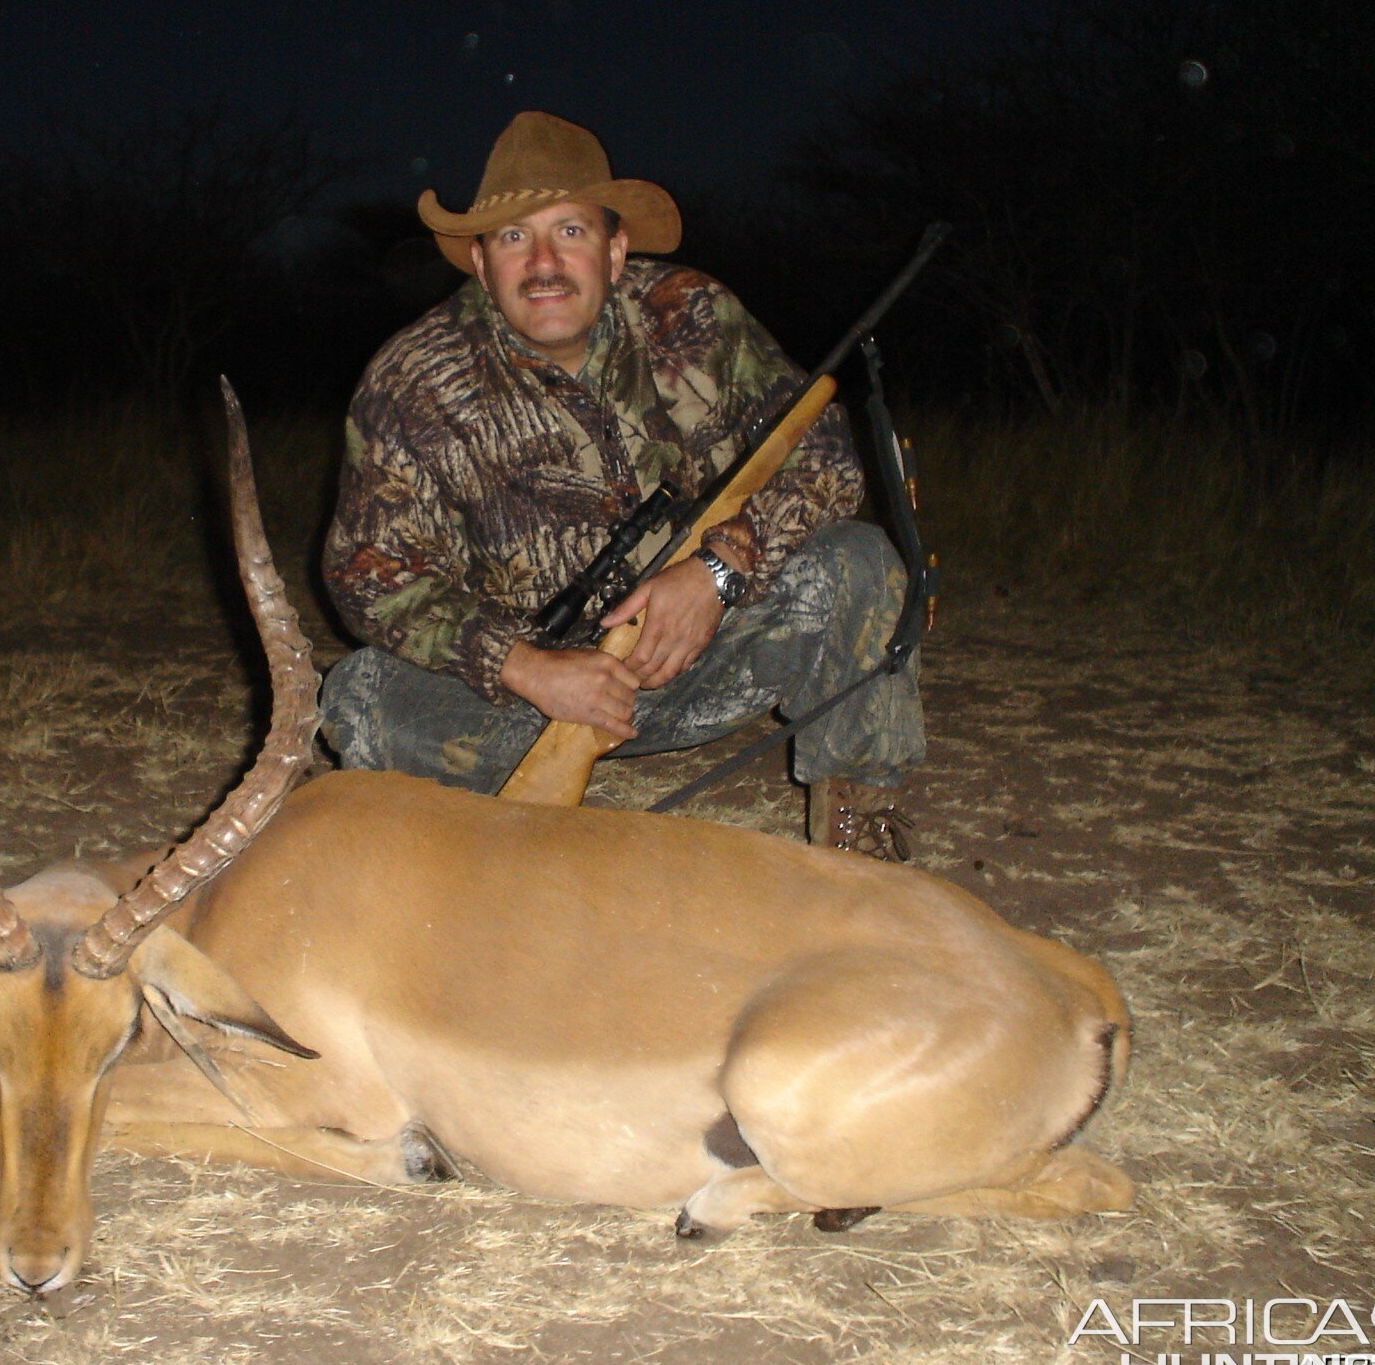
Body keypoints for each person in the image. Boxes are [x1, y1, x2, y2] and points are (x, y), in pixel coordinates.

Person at [319, 110, 924, 858]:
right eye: (514, 237)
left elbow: (827, 455)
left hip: (702, 657)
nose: (543, 262)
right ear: (479, 262)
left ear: (614, 249)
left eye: (569, 231)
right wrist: (527, 668)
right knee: (360, 694)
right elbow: (365, 576)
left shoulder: (692, 313)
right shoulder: (413, 377)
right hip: (523, 705)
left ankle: (860, 831)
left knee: (860, 564)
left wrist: (719, 571)